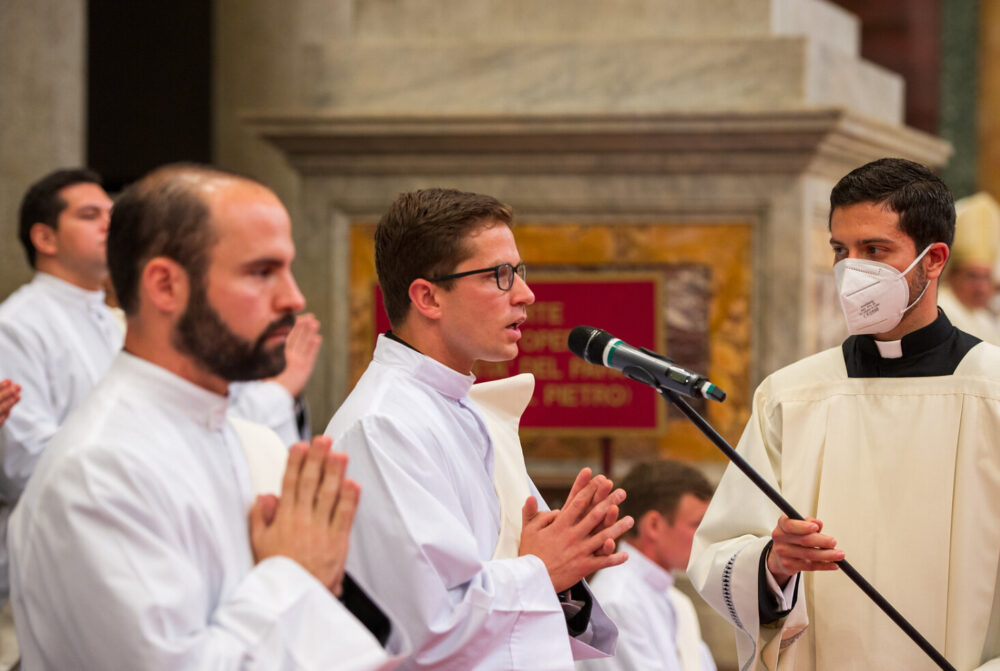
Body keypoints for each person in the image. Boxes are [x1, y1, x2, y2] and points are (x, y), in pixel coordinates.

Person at [8, 164, 404, 669]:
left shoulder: (216, 426)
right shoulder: (101, 471)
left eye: (286, 268)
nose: (293, 298)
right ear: (166, 286)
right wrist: (294, 574)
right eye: (262, 272)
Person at [688, 158, 1000, 670]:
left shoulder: (992, 392)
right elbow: (720, 553)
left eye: (874, 250)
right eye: (840, 250)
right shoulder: (790, 396)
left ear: (934, 258)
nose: (851, 271)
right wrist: (773, 564)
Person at [325, 188, 629, 670]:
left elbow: (512, 564)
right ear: (428, 297)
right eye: (500, 276)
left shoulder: (465, 410)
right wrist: (542, 569)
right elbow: (427, 625)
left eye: (519, 272)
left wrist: (568, 567)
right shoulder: (383, 426)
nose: (526, 294)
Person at [578, 460, 717, 671]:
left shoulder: (678, 602)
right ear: (654, 525)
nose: (707, 536)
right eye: (697, 524)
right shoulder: (616, 603)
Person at [937, 192, 1000, 344]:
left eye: (986, 277)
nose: (981, 288)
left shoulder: (981, 316)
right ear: (951, 275)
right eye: (972, 276)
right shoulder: (941, 311)